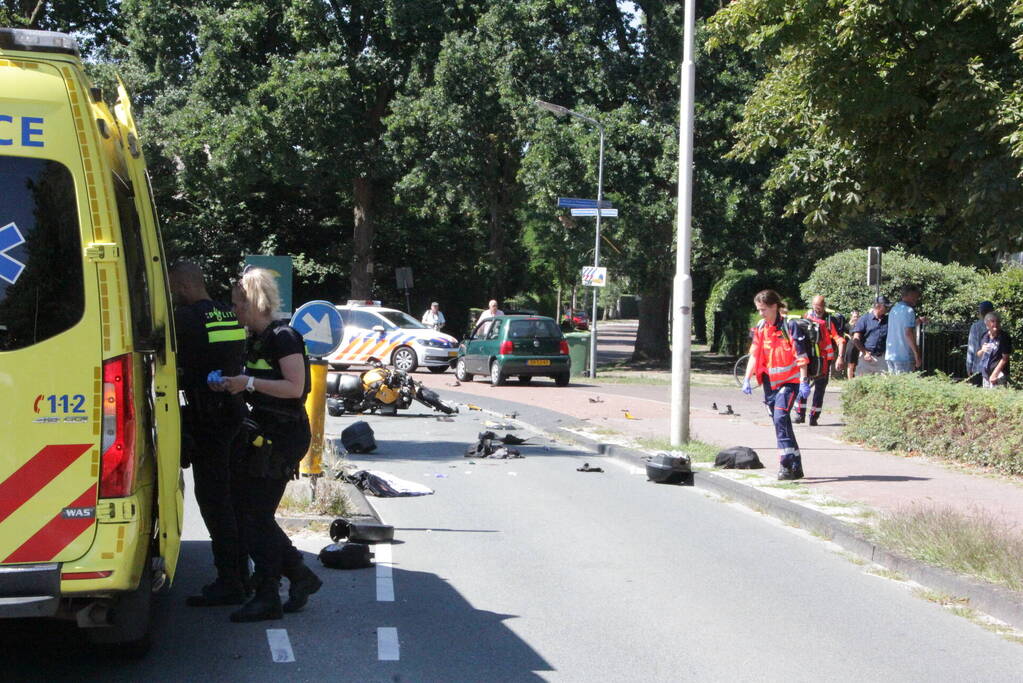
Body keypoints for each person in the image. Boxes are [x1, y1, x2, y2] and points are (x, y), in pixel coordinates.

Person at [215, 268, 321, 622]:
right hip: (264, 431)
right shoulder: (258, 338)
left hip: (283, 435)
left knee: (255, 516)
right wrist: (234, 384)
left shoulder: (284, 337)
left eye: (236, 304)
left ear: (253, 301)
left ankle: (269, 593)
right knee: (250, 513)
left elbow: (294, 388)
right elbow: (258, 382)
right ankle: (298, 576)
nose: (233, 311)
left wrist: (247, 383)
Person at [169, 261, 250, 607]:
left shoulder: (185, 320)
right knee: (232, 498)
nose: (172, 295)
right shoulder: (227, 315)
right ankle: (243, 573)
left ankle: (230, 580)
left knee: (214, 501)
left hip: (206, 419)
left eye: (173, 289)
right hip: (234, 414)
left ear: (184, 286)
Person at [740, 290, 811, 480]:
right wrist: (747, 378)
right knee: (782, 422)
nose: (760, 313)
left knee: (780, 418)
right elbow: (754, 354)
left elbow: (801, 356)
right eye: (758, 310)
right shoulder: (761, 327)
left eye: (763, 309)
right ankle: (796, 465)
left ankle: (786, 464)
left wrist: (804, 381)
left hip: (790, 382)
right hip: (770, 384)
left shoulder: (789, 326)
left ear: (774, 307)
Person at [794, 295, 845, 426]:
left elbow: (839, 339)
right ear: (812, 305)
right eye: (816, 306)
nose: (818, 309)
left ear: (824, 306)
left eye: (820, 306)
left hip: (824, 361)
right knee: (803, 385)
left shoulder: (829, 320)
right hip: (809, 358)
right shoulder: (807, 316)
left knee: (820, 389)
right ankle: (800, 414)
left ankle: (814, 417)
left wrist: (840, 357)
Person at [885, 284, 922, 374]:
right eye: (916, 296)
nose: (917, 298)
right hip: (904, 357)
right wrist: (917, 355)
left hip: (890, 355)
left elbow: (900, 327)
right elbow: (908, 333)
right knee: (905, 386)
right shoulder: (909, 310)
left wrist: (917, 321)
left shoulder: (894, 309)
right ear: (910, 295)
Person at [851, 296, 890, 376]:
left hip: (881, 358)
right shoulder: (864, 319)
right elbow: (856, 338)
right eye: (885, 306)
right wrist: (865, 352)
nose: (887, 309)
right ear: (878, 306)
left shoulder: (888, 319)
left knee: (883, 385)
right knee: (862, 384)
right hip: (866, 358)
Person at [977, 311, 1011, 388]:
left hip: (999, 375)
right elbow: (978, 354)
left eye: (998, 322)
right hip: (985, 374)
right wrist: (982, 350)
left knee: (997, 398)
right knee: (986, 399)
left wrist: (994, 374)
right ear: (987, 324)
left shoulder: (1004, 337)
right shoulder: (985, 336)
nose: (996, 324)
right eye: (992, 321)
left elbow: (1005, 358)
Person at [966, 301, 995, 385]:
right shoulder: (998, 325)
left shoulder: (976, 327)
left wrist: (969, 367)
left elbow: (972, 348)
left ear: (981, 312)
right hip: (994, 369)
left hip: (978, 369)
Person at [844, 310, 861, 379]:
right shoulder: (848, 325)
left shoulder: (861, 325)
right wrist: (847, 335)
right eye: (854, 316)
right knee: (850, 364)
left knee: (859, 364)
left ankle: (858, 380)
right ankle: (850, 381)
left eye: (857, 316)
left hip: (859, 346)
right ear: (851, 317)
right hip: (851, 346)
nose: (856, 318)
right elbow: (843, 333)